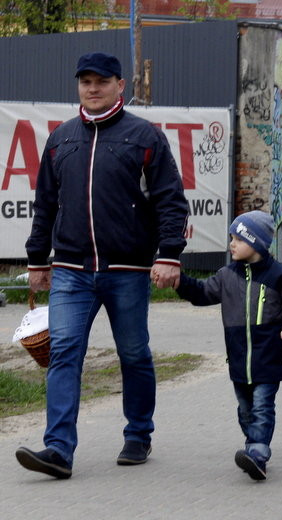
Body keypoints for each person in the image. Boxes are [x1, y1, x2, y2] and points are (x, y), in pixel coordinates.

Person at [17, 52, 189, 479]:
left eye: (101, 81)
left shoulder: (144, 135)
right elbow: (45, 205)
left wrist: (168, 255)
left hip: (127, 270)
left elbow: (171, 200)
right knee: (64, 354)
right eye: (85, 82)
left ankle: (138, 433)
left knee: (133, 353)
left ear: (119, 85)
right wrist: (38, 259)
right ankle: (57, 449)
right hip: (71, 271)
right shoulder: (62, 139)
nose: (92, 89)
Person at [175, 211, 282, 480]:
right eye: (231, 238)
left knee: (262, 405)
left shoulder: (280, 275)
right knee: (245, 408)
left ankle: (259, 451)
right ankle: (253, 447)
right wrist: (179, 281)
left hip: (270, 355)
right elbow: (203, 293)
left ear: (257, 242)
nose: (232, 244)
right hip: (239, 357)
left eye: (238, 238)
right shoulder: (226, 275)